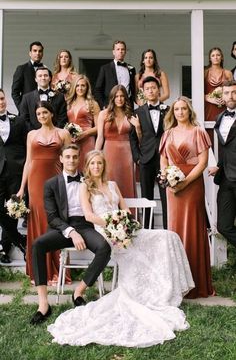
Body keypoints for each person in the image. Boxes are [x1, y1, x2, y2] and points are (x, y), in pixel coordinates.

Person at [47, 150, 195, 347]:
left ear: (104, 165)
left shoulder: (113, 185)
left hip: (124, 228)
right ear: (88, 166)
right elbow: (89, 216)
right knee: (134, 254)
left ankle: (165, 289)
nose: (96, 167)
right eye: (92, 164)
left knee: (168, 236)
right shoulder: (85, 186)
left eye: (99, 163)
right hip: (106, 232)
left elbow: (125, 209)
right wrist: (112, 224)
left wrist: (125, 224)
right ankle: (139, 292)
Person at [29, 145, 111, 325]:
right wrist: (71, 232)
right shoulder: (51, 184)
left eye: (75, 157)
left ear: (79, 159)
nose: (71, 160)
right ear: (61, 159)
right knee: (37, 245)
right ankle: (43, 304)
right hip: (63, 228)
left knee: (104, 247)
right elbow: (52, 217)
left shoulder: (89, 180)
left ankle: (79, 291)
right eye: (67, 157)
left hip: (86, 225)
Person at [159, 96, 214, 299]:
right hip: (173, 188)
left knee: (192, 228)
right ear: (173, 113)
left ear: (189, 111)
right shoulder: (168, 134)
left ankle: (197, 283)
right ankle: (177, 283)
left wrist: (185, 182)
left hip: (192, 185)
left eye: (183, 109)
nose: (180, 112)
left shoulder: (198, 132)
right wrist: (168, 180)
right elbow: (163, 160)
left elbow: (202, 163)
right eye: (177, 109)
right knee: (175, 229)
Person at [17, 101, 71, 284]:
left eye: (45, 113)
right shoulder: (31, 134)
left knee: (54, 219)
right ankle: (40, 270)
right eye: (39, 113)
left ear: (52, 114)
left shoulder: (63, 133)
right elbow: (28, 162)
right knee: (38, 219)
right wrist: (22, 188)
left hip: (56, 180)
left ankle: (57, 269)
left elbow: (70, 160)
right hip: (34, 181)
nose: (41, 116)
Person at [129, 76, 168, 229]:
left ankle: (167, 228)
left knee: (166, 196)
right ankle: (147, 229)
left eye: (153, 87)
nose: (151, 90)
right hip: (145, 158)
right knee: (146, 196)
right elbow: (132, 138)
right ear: (143, 92)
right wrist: (137, 158)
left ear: (158, 90)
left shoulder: (169, 110)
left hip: (164, 159)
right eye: (147, 89)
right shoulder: (137, 112)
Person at [0, 89, 27, 263]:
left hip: (15, 172)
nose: (0, 102)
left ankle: (5, 249)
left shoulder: (18, 120)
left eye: (2, 98)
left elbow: (25, 145)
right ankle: (20, 240)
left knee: (13, 211)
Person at [208, 80, 236, 247]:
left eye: (234, 92)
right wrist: (218, 166)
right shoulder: (219, 118)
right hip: (225, 177)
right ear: (222, 95)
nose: (230, 96)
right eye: (227, 93)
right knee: (224, 226)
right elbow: (226, 148)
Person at [95, 84, 136, 198]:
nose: (119, 99)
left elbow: (137, 138)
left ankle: (129, 213)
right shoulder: (103, 114)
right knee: (110, 180)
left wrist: (137, 127)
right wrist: (95, 155)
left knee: (126, 183)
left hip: (127, 153)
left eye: (122, 96)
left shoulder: (130, 114)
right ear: (112, 98)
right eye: (116, 96)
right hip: (109, 152)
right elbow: (100, 137)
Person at [67, 75, 100, 170]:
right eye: (77, 85)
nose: (80, 88)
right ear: (74, 87)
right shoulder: (68, 103)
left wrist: (84, 133)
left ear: (87, 87)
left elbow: (99, 127)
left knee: (87, 167)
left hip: (87, 140)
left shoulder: (93, 103)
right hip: (71, 141)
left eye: (83, 85)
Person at [20, 67, 68, 131]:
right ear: (35, 79)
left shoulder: (59, 96)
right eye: (40, 76)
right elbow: (24, 120)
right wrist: (35, 133)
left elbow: (62, 118)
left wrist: (54, 132)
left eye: (45, 75)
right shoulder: (26, 98)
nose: (43, 78)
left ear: (50, 78)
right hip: (34, 136)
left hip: (55, 135)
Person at [94, 40, 136, 109]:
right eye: (118, 49)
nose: (120, 51)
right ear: (113, 52)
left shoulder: (131, 69)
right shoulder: (105, 68)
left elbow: (133, 89)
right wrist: (104, 105)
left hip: (127, 106)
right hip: (110, 106)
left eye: (122, 49)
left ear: (125, 52)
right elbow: (97, 90)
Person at [204, 47, 232, 143]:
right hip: (209, 108)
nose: (216, 57)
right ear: (210, 58)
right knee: (210, 134)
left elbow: (232, 90)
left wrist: (226, 98)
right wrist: (208, 98)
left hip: (223, 106)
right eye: (213, 55)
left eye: (218, 55)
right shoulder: (205, 73)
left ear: (222, 58)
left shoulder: (227, 73)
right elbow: (198, 92)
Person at [11, 41, 45, 111]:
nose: (37, 53)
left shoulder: (46, 70)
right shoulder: (22, 69)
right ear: (30, 53)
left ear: (42, 54)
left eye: (40, 51)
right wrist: (22, 109)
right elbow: (15, 92)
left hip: (43, 110)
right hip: (27, 111)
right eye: (35, 51)